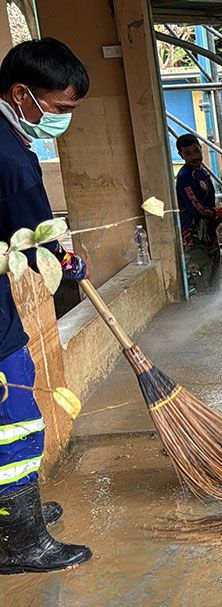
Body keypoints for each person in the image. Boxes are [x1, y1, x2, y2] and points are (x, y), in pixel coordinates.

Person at [0, 37, 92, 574]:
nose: (63, 120)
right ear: (22, 94)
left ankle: (15, 514)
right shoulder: (10, 157)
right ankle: (19, 540)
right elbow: (32, 236)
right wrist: (63, 258)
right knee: (15, 416)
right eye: (60, 109)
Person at [174, 134, 221, 293]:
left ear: (201, 149)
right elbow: (197, 209)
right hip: (194, 236)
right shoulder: (185, 177)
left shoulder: (202, 171)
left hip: (208, 233)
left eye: (196, 151)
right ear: (181, 155)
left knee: (215, 275)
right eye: (188, 154)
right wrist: (220, 212)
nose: (194, 156)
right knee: (200, 280)